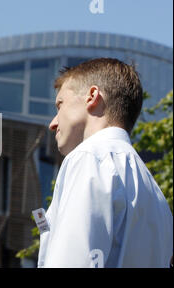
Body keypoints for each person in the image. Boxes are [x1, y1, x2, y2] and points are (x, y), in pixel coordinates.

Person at [38, 58, 173, 268]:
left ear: (92, 96)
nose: (53, 123)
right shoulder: (155, 194)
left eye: (60, 105)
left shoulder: (89, 157)